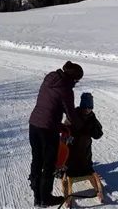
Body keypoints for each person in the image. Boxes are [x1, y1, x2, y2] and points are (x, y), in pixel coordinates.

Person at [28, 61, 84, 208]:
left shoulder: (50, 78)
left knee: (36, 159)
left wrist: (59, 125)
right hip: (48, 131)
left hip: (34, 125)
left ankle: (37, 196)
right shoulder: (66, 90)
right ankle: (45, 199)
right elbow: (71, 115)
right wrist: (81, 126)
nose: (76, 84)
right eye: (77, 81)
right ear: (73, 79)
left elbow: (49, 106)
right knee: (48, 164)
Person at [65, 92, 103, 177]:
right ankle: (66, 168)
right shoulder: (74, 114)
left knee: (85, 153)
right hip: (72, 145)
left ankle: (86, 167)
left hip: (85, 148)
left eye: (89, 107)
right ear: (81, 106)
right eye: (85, 107)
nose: (87, 110)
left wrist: (93, 130)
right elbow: (65, 129)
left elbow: (98, 134)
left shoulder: (92, 118)